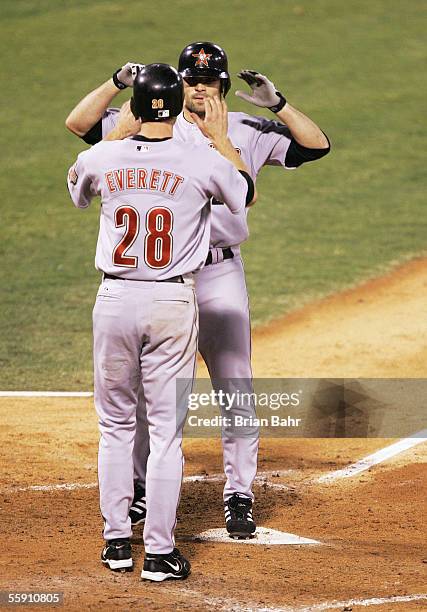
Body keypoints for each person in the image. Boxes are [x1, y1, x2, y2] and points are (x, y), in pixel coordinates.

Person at [65, 41, 330, 539]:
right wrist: (116, 82)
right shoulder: (150, 124)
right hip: (165, 283)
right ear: (178, 83)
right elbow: (80, 126)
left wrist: (277, 105)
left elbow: (316, 146)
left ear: (224, 86)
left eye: (210, 80)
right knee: (148, 395)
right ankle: (140, 489)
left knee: (235, 386)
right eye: (191, 79)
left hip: (217, 276)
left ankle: (238, 494)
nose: (200, 87)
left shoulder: (246, 129)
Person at [66, 63, 255, 580]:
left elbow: (78, 190)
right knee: (166, 433)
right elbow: (244, 194)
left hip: (114, 299)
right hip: (172, 302)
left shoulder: (102, 156)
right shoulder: (199, 158)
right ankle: (160, 553)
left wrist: (121, 137)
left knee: (116, 427)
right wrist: (220, 138)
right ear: (175, 105)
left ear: (133, 106)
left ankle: (116, 544)